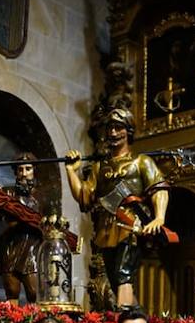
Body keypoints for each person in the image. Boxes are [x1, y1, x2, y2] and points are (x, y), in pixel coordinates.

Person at [64, 107, 169, 308]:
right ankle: (136, 316)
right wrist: (71, 171)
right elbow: (84, 196)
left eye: (118, 127)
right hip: (107, 229)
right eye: (110, 128)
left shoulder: (141, 162)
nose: (113, 133)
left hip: (131, 225)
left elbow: (159, 189)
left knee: (123, 274)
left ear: (128, 130)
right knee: (115, 280)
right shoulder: (99, 167)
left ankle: (124, 321)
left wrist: (159, 218)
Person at [0, 157, 43, 303]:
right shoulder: (8, 192)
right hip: (12, 245)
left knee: (33, 291)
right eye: (20, 169)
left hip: (33, 245)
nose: (24, 173)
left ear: (34, 170)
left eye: (28, 169)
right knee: (11, 290)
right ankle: (13, 321)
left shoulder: (42, 195)